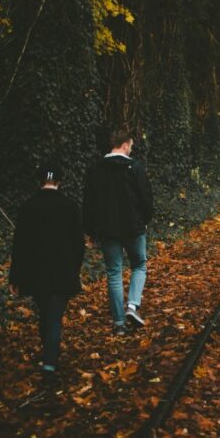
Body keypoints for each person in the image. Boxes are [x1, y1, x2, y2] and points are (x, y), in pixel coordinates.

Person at [9, 165, 85, 376]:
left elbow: (20, 245)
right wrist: (75, 268)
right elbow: (78, 244)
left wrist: (15, 277)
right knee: (54, 316)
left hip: (36, 272)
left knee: (44, 313)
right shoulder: (70, 206)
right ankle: (50, 362)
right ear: (59, 181)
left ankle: (48, 353)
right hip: (62, 272)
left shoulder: (28, 206)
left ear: (39, 181)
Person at [82, 129, 154, 336]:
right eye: (130, 145)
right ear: (124, 145)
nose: (131, 149)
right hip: (133, 228)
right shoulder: (135, 168)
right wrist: (145, 220)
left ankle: (119, 323)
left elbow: (89, 203)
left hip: (107, 230)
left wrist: (90, 231)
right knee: (139, 265)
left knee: (114, 272)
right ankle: (132, 305)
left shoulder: (96, 169)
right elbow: (146, 197)